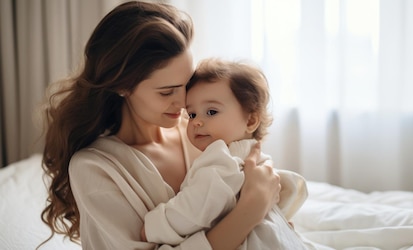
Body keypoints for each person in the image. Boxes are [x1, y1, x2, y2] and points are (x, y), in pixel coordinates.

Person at [40, 1, 282, 249]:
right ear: (122, 86)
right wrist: (250, 211)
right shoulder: (95, 168)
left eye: (187, 84)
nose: (184, 101)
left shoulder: (200, 133)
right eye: (167, 92)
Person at [141, 57, 314, 249]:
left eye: (212, 112)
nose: (197, 121)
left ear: (250, 121)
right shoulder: (251, 157)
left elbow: (194, 209)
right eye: (192, 114)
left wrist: (154, 226)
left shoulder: (221, 159)